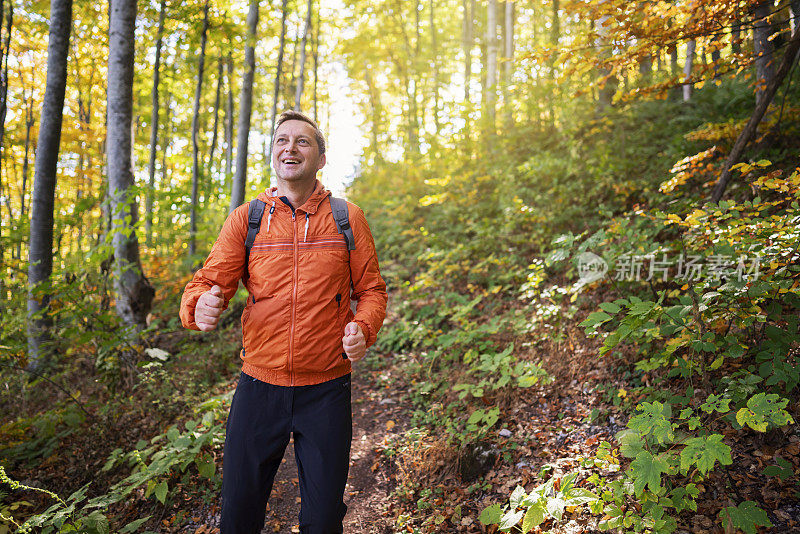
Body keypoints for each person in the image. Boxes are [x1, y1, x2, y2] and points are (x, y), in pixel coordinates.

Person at [179, 110, 388, 534]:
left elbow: (372, 291)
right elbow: (207, 282)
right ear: (273, 154)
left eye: (302, 141)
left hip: (326, 390)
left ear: (321, 158)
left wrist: (363, 328)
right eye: (281, 141)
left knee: (323, 519)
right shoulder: (248, 218)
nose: (289, 147)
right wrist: (198, 305)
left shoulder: (347, 217)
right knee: (238, 515)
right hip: (259, 388)